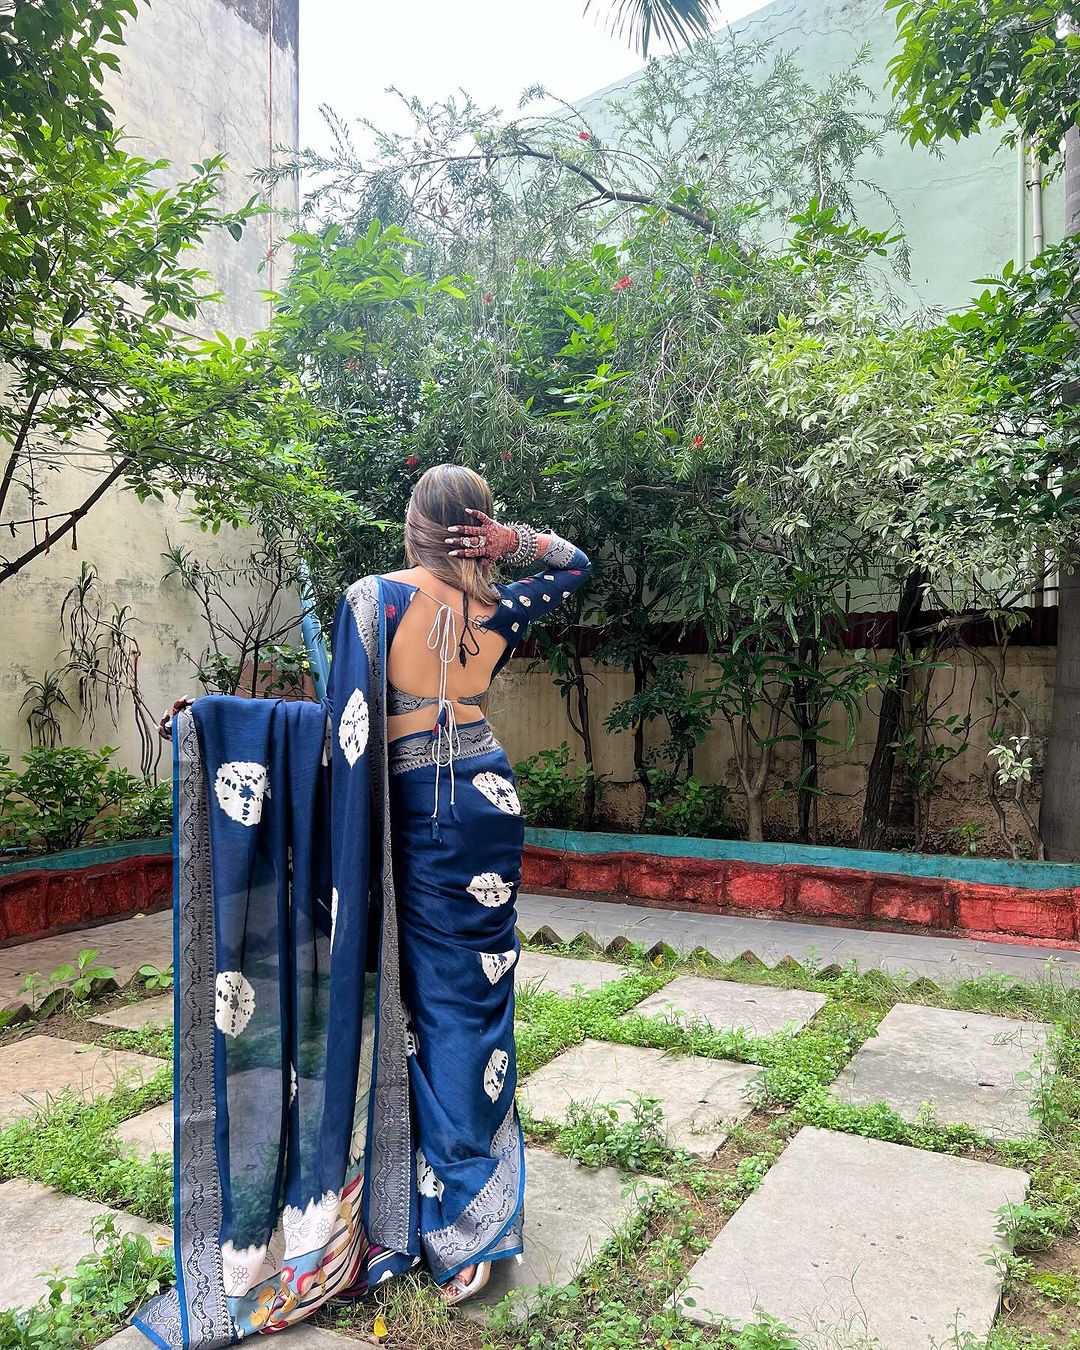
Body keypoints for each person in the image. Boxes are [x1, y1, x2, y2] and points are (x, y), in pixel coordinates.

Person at [135, 464, 591, 1347]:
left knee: (427, 1004)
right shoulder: (502, 608)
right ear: (480, 527)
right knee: (471, 999)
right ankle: (470, 1210)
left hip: (420, 812)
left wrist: (219, 718)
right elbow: (575, 565)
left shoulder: (371, 600)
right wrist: (517, 547)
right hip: (490, 805)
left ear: (417, 526)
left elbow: (339, 727)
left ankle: (454, 1230)